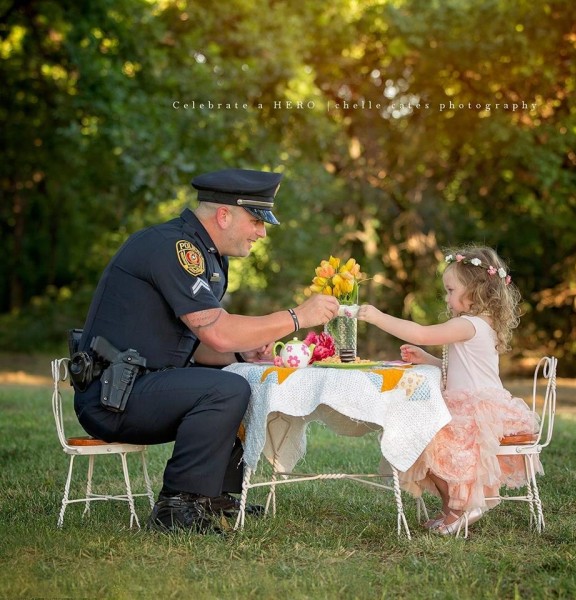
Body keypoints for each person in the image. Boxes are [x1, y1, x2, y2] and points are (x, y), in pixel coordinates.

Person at [73, 168, 339, 534]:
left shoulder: (209, 255)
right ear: (224, 215)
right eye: (256, 220)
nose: (262, 232)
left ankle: (212, 494)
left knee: (236, 375)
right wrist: (297, 317)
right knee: (226, 389)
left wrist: (241, 355)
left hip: (143, 384)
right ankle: (177, 507)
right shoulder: (174, 248)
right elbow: (217, 331)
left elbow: (198, 346)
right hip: (112, 397)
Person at [357, 245, 541, 535]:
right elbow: (461, 369)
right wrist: (427, 359)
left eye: (451, 289)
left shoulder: (468, 324)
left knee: (423, 440)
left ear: (476, 290)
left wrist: (378, 317)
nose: (447, 297)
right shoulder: (478, 324)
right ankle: (452, 510)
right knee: (421, 439)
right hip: (472, 405)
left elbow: (420, 332)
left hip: (476, 412)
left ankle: (461, 509)